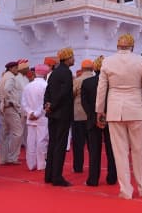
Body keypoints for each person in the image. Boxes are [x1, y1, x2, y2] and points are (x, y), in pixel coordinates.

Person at [96, 34, 142, 200]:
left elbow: (102, 89)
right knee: (140, 150)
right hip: (136, 109)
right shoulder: (141, 61)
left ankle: (126, 191)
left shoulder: (107, 61)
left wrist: (99, 111)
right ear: (132, 46)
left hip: (115, 110)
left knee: (120, 153)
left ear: (118, 46)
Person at [81, 56, 117, 187]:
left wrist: (93, 115)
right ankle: (112, 177)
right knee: (111, 150)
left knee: (94, 151)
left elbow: (84, 103)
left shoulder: (87, 82)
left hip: (92, 119)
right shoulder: (112, 83)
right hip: (110, 118)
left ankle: (93, 179)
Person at [44, 47, 75, 187]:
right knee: (60, 145)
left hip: (52, 113)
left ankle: (49, 175)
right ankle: (57, 177)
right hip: (62, 113)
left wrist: (48, 105)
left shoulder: (54, 73)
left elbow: (48, 91)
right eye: (72, 57)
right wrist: (54, 105)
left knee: (52, 143)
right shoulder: (66, 73)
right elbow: (64, 93)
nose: (74, 59)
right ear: (67, 59)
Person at [21, 64, 50, 171]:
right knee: (42, 141)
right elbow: (45, 103)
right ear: (45, 74)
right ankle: (41, 164)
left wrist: (30, 113)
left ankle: (31, 164)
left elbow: (23, 103)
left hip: (31, 117)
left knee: (31, 141)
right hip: (41, 118)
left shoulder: (28, 86)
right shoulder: (46, 86)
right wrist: (37, 114)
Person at [72, 59, 94, 173]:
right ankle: (93, 166)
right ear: (93, 68)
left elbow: (72, 94)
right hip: (91, 115)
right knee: (92, 144)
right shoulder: (96, 80)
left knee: (78, 144)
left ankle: (78, 167)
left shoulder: (77, 80)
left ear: (82, 68)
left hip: (78, 115)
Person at [0, 60, 22, 165]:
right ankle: (12, 157)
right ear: (11, 68)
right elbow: (7, 90)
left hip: (4, 109)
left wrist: (2, 102)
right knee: (18, 133)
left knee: (5, 134)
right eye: (16, 68)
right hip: (11, 108)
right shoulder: (11, 77)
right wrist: (10, 101)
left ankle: (3, 159)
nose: (17, 70)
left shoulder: (4, 77)